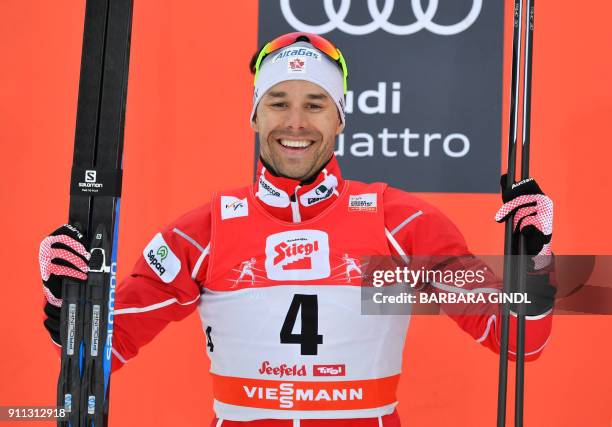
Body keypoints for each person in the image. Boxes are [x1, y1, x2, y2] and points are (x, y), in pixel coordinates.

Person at [39, 32, 556, 426]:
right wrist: (69, 302)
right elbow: (102, 350)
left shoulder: (398, 223)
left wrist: (533, 263)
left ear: (340, 118)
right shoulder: (204, 232)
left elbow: (516, 341)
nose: (296, 122)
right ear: (255, 115)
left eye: (315, 104)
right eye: (279, 102)